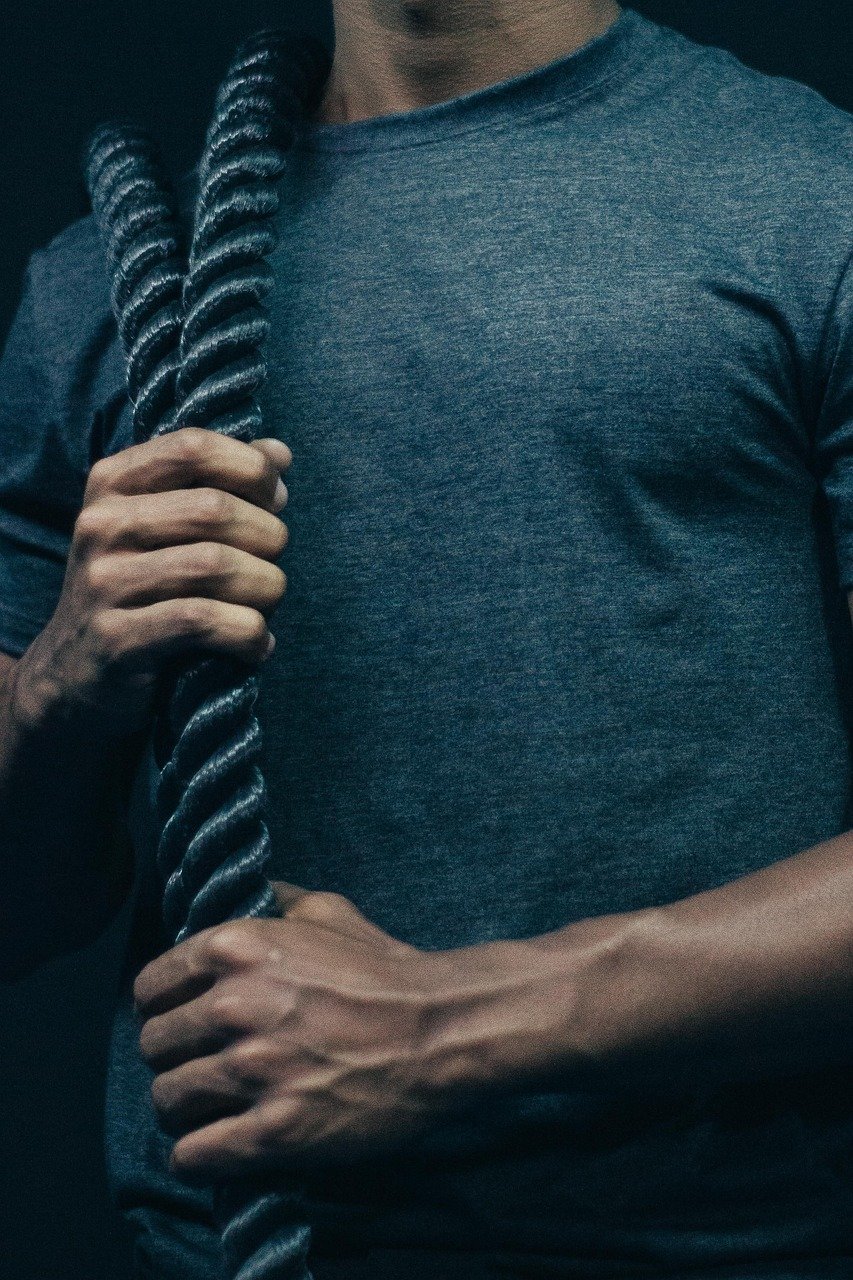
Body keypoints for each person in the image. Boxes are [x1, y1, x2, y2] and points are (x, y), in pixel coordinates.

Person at [1, 1, 852, 1276]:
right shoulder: (108, 278)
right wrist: (64, 681)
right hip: (223, 1249)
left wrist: (449, 1028)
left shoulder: (810, 198)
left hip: (728, 1247)